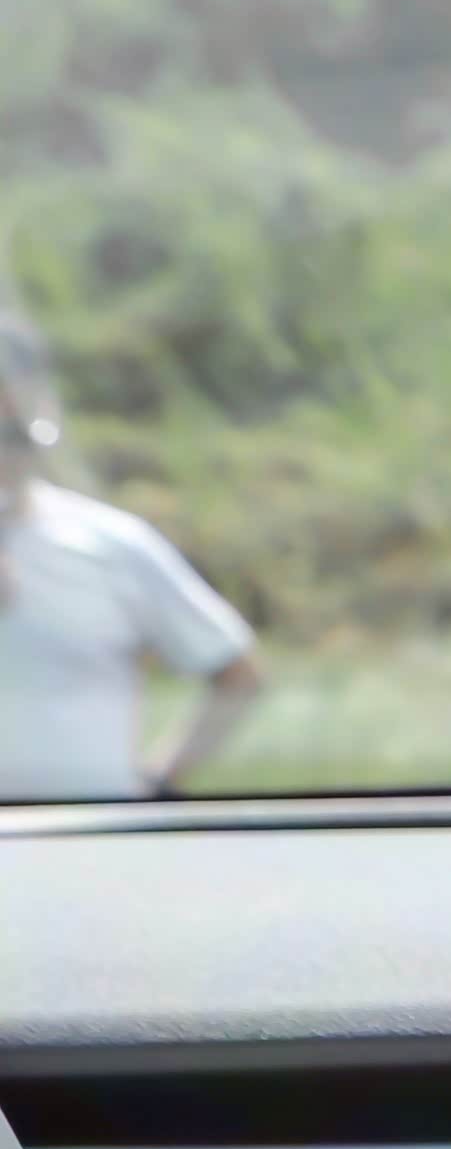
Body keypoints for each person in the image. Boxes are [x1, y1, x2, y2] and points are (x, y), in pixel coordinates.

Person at [0, 310, 263, 801]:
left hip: (93, 835)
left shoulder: (111, 543)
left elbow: (236, 672)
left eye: (13, 430)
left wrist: (155, 784)